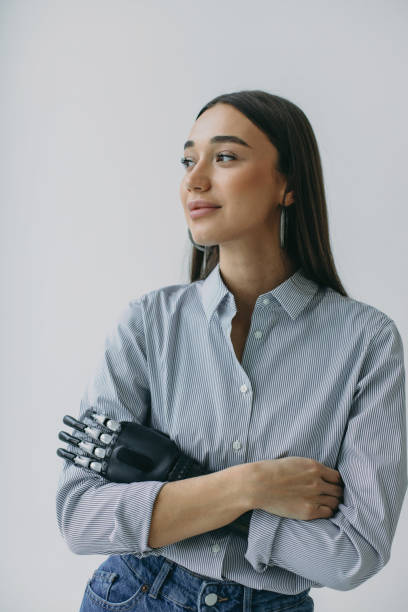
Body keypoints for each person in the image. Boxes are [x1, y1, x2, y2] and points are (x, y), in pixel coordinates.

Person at [56, 90, 406, 611]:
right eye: (187, 160)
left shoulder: (366, 343)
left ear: (287, 184)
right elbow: (80, 516)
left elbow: (353, 554)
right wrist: (252, 487)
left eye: (224, 157)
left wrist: (177, 489)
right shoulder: (147, 324)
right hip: (133, 594)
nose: (194, 180)